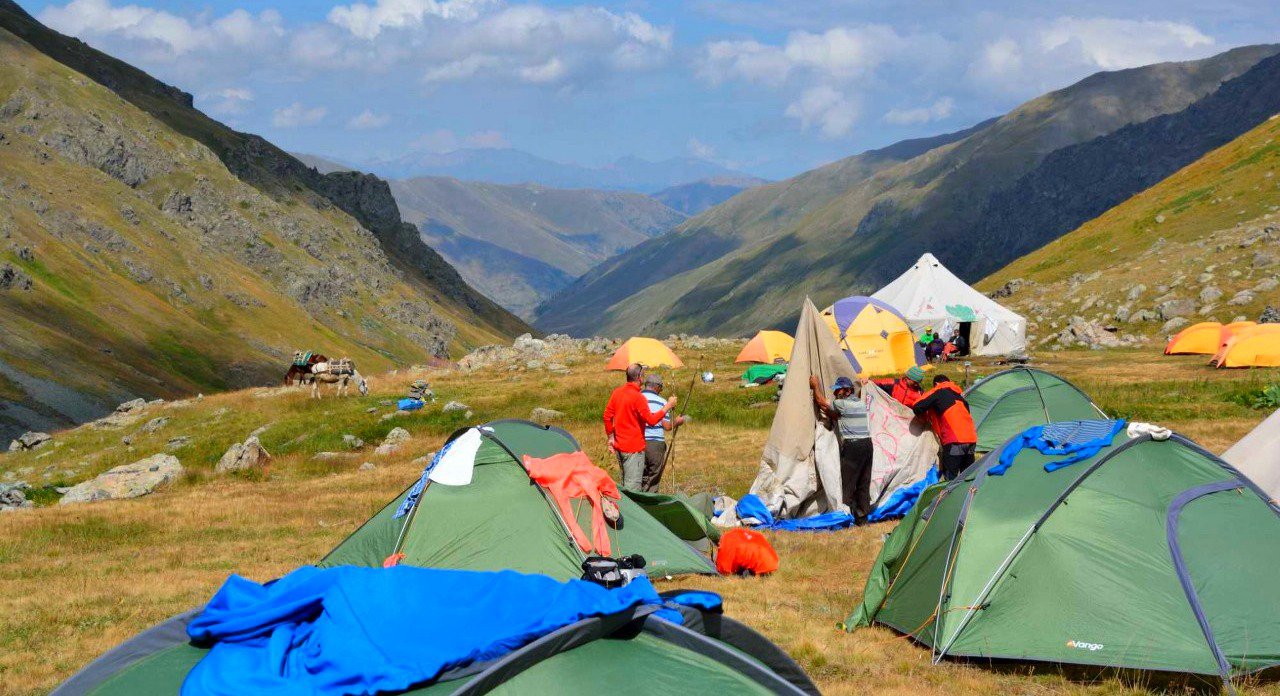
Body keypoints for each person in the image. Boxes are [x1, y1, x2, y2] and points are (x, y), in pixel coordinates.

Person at [811, 375, 873, 524]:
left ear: (845, 391)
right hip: (867, 445)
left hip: (853, 447)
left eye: (837, 390)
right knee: (863, 482)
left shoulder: (842, 404)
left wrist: (815, 385)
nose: (834, 393)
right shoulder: (859, 403)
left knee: (848, 482)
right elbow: (838, 416)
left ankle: (845, 515)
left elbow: (820, 401)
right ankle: (862, 518)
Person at [603, 364, 676, 490]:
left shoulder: (616, 393)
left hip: (619, 447)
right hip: (634, 449)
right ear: (640, 377)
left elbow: (607, 417)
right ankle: (632, 508)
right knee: (633, 488)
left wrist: (611, 437)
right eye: (643, 375)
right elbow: (652, 420)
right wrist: (667, 406)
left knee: (626, 482)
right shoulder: (638, 398)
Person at [912, 374, 978, 481]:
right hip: (971, 440)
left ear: (936, 384)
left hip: (955, 441)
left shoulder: (939, 391)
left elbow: (917, 406)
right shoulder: (961, 398)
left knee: (950, 480)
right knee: (967, 478)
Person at [640, 373, 686, 492]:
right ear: (656, 387)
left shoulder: (637, 397)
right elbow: (666, 426)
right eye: (661, 388)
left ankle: (639, 497)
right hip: (655, 443)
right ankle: (650, 499)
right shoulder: (662, 402)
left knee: (640, 474)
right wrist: (677, 421)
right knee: (654, 475)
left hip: (638, 440)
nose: (661, 391)